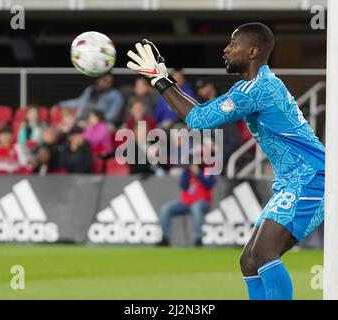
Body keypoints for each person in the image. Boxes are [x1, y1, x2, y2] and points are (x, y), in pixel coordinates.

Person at [126, 22, 325, 300]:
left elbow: (199, 120)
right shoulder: (253, 86)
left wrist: (160, 80)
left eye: (233, 44)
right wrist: (164, 78)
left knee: (263, 253)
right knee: (249, 260)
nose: (226, 49)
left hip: (312, 178)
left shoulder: (259, 89)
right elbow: (201, 112)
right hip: (295, 179)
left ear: (253, 51)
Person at [159, 162, 216, 247]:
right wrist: (187, 172)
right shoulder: (186, 172)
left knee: (195, 208)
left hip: (203, 202)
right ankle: (165, 239)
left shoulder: (207, 171)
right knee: (165, 208)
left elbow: (209, 184)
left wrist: (198, 173)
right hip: (186, 202)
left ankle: (198, 239)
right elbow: (183, 185)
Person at [58, 73, 124, 127]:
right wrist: (60, 105)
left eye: (110, 82)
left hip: (100, 124)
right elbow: (79, 102)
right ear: (99, 79)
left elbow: (112, 116)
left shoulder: (115, 95)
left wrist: (94, 122)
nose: (107, 83)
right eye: (104, 80)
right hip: (80, 121)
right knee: (64, 124)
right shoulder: (90, 90)